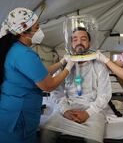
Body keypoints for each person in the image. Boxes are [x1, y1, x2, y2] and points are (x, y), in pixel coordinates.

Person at [0, 7, 74, 143]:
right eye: (37, 27)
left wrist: (62, 62)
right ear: (23, 31)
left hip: (11, 109)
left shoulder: (14, 49)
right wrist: (69, 67)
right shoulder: (24, 54)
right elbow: (48, 85)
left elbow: (40, 73)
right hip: (19, 115)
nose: (40, 31)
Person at [40, 27, 112, 143]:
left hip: (93, 108)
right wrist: (65, 110)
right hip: (69, 106)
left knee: (94, 139)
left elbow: (104, 94)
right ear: (71, 44)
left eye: (83, 39)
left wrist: (88, 113)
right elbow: (57, 92)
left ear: (89, 43)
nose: (79, 42)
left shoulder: (98, 65)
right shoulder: (65, 66)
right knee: (47, 132)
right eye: (75, 39)